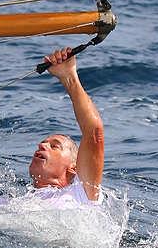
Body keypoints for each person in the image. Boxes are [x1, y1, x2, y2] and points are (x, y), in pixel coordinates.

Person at [17, 47, 104, 208]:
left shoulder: (81, 194)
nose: (42, 145)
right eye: (44, 142)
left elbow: (94, 132)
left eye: (54, 146)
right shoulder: (8, 203)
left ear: (74, 168)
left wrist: (69, 76)